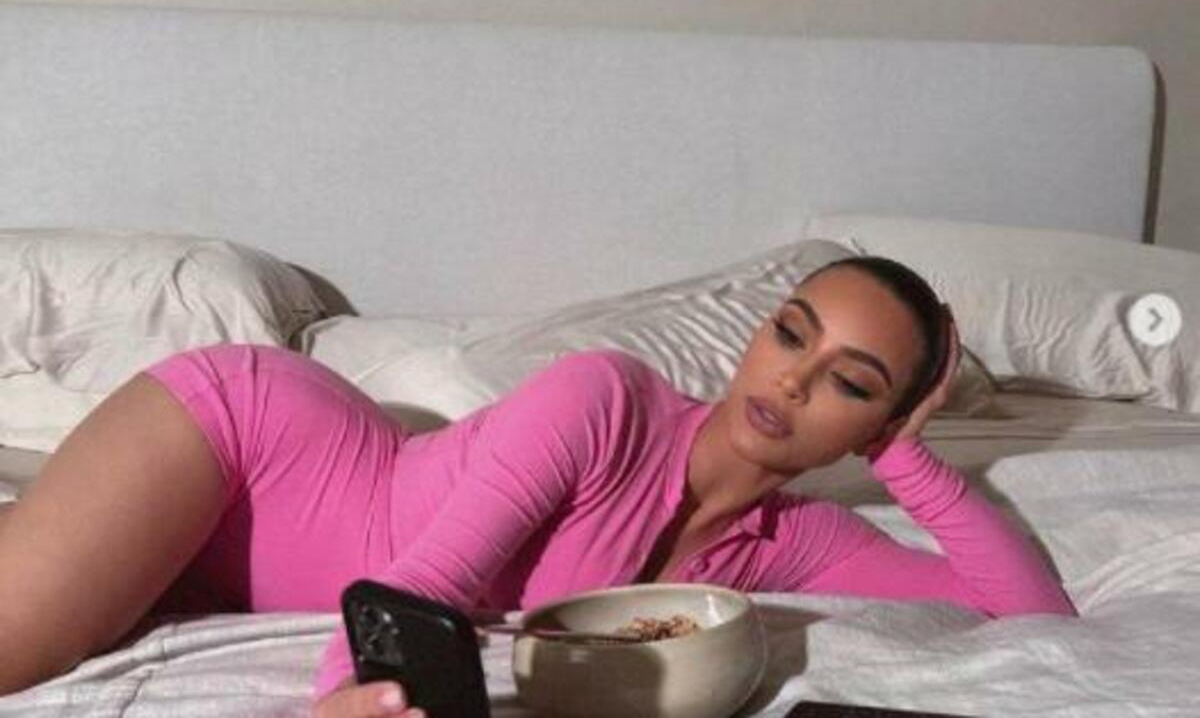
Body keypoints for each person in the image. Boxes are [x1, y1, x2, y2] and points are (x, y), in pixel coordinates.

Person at [0, 256, 1077, 717]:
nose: (794, 379)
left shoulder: (789, 542)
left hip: (237, 566)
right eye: (792, 333)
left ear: (876, 421)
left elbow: (1028, 615)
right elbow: (416, 587)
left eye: (851, 382)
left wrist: (908, 458)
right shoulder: (603, 399)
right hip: (245, 448)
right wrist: (348, 697)